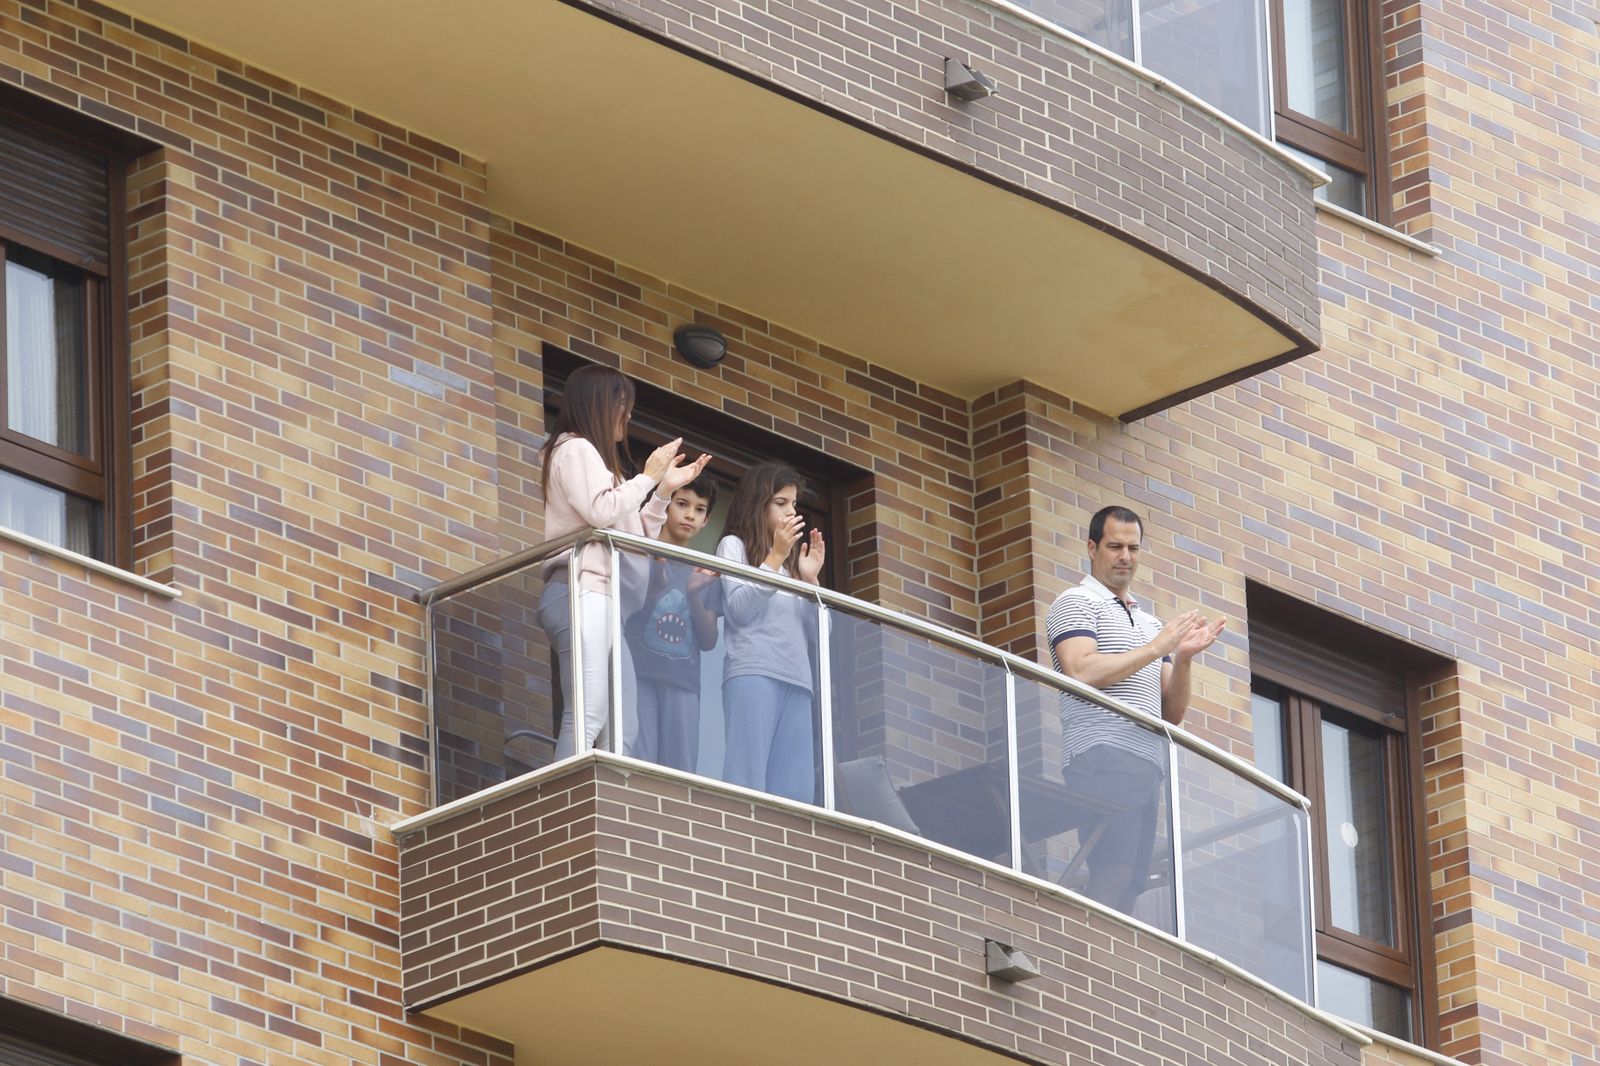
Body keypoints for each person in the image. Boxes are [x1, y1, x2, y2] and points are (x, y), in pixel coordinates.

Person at [1048, 504, 1225, 916]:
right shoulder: (1076, 601)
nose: (1125, 556)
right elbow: (1080, 669)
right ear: (1092, 548)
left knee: (1130, 883)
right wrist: (1156, 649)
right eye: (1114, 546)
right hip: (1101, 755)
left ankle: (1102, 963)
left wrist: (1182, 659)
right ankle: (1078, 955)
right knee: (1113, 870)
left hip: (1146, 764)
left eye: (1132, 547)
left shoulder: (1150, 624)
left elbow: (1171, 713)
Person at [536, 365, 710, 758]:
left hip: (604, 599)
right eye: (622, 405)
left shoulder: (602, 466)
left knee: (622, 729)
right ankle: (568, 804)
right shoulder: (573, 448)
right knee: (589, 715)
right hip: (582, 590)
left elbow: (636, 539)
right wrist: (647, 479)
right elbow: (601, 512)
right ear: (599, 404)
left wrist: (663, 490)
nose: (627, 416)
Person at [715, 462, 825, 803]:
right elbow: (738, 609)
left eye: (793, 503)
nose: (792, 511)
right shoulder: (734, 546)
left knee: (796, 793)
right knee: (746, 778)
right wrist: (775, 557)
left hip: (798, 680)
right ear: (758, 504)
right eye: (781, 502)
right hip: (753, 671)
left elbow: (822, 633)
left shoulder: (794, 564)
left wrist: (810, 582)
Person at [626, 474, 721, 772]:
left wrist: (694, 595)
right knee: (640, 763)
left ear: (706, 520)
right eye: (682, 504)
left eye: (700, 509)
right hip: (639, 671)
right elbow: (624, 610)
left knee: (680, 770)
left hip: (684, 680)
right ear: (666, 505)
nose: (690, 514)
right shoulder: (643, 552)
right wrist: (653, 588)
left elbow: (709, 641)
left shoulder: (705, 571)